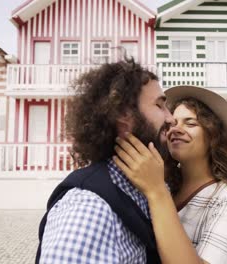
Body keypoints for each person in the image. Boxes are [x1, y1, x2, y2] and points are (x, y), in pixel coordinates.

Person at [35, 59, 174, 264]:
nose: (171, 119)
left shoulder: (144, 187)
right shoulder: (88, 209)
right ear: (124, 115)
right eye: (160, 106)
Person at [114, 85, 227, 264]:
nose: (175, 129)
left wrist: (156, 192)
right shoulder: (165, 186)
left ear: (213, 136)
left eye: (190, 123)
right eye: (172, 123)